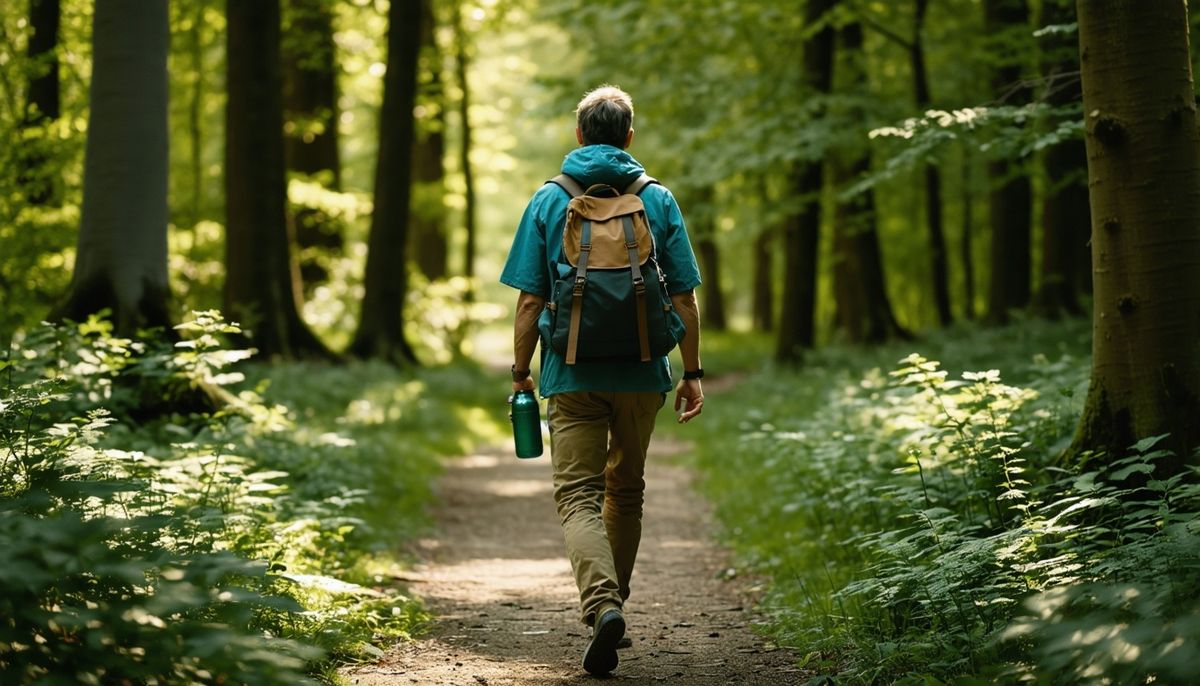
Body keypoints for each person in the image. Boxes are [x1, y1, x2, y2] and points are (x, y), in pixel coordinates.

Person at [500, 85, 705, 676]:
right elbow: (686, 298)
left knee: (578, 496)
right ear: (630, 137)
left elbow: (529, 301)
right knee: (627, 490)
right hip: (644, 374)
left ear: (579, 136)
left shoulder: (548, 200)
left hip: (571, 373)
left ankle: (602, 604)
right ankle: (611, 607)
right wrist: (690, 373)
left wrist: (521, 375)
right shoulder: (658, 200)